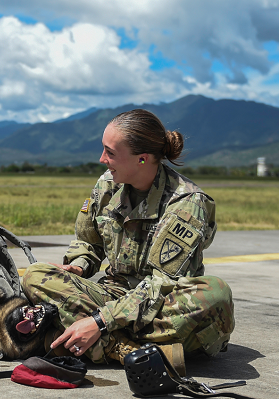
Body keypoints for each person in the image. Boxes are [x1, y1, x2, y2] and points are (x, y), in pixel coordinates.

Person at [22, 109, 234, 374]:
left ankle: (84, 336)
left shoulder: (187, 203)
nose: (102, 160)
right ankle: (128, 351)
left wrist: (99, 321)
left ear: (142, 159)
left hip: (161, 308)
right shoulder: (106, 186)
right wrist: (78, 266)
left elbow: (161, 285)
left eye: (110, 153)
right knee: (35, 275)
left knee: (215, 293)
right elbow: (89, 244)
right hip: (113, 296)